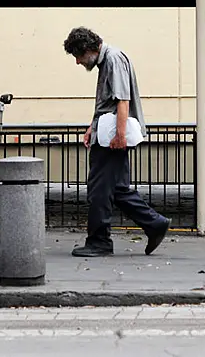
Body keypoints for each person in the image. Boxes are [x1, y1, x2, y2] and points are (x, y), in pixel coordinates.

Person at [63, 27, 171, 257]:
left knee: (99, 189)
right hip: (108, 134)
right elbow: (109, 104)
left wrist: (119, 136)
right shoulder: (109, 61)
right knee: (118, 189)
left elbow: (123, 101)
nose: (78, 62)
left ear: (87, 50)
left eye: (77, 56)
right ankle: (155, 223)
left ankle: (99, 241)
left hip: (111, 139)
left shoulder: (112, 60)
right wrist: (92, 127)